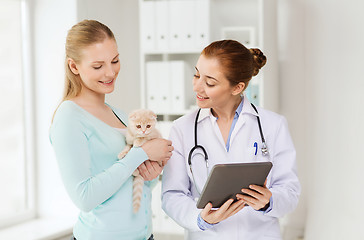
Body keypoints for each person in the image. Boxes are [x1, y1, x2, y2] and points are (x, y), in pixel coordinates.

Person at [161, 40, 300, 239]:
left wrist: (269, 201)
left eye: (209, 82)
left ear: (237, 87)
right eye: (196, 75)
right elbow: (172, 195)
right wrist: (201, 219)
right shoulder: (182, 128)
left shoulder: (273, 125)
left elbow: (290, 191)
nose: (197, 87)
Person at [49, 20, 173, 240]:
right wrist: (141, 153)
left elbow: (128, 185)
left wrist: (151, 175)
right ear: (74, 67)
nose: (110, 72)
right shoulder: (69, 117)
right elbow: (84, 198)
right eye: (98, 66)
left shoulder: (121, 115)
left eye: (115, 61)